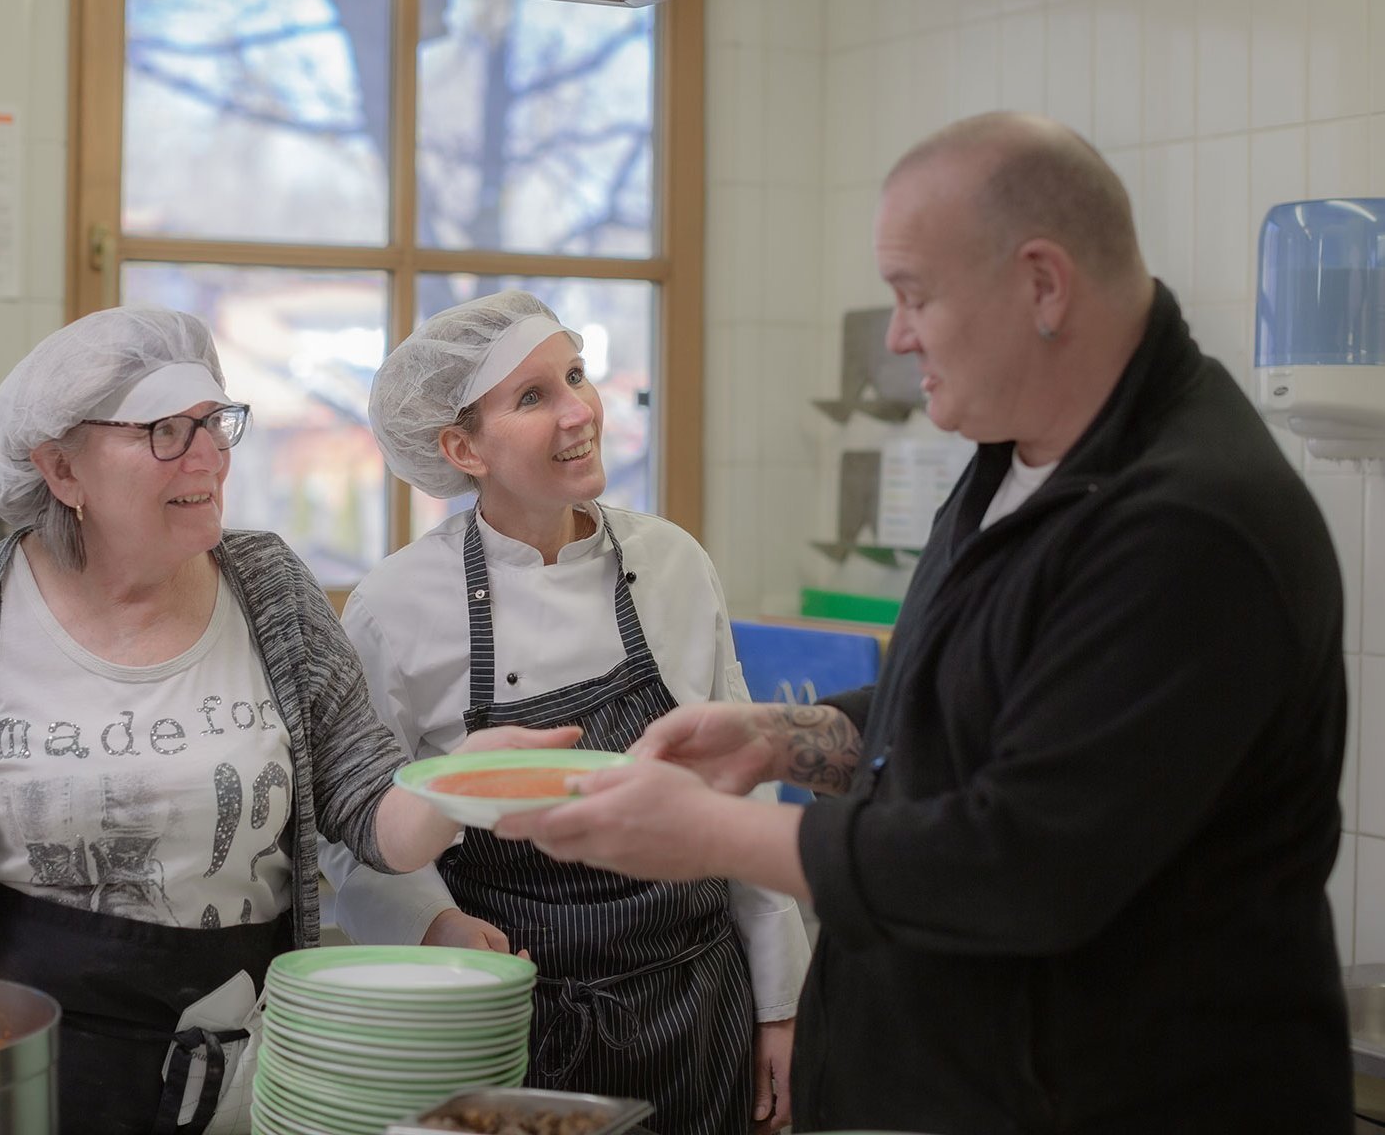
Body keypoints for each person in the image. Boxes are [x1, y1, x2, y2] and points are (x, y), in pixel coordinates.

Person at [495, 113, 1354, 1134]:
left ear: (1040, 284)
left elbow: (1025, 863)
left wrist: (710, 832)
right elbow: (972, 705)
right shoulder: (1013, 451)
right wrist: (779, 735)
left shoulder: (1188, 525)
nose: (896, 336)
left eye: (913, 295)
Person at [0, 305, 574, 1135]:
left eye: (213, 422)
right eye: (164, 430)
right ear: (62, 470)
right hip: (19, 1072)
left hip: (239, 1076)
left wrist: (456, 786)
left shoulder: (270, 590)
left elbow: (368, 813)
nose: (206, 458)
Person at [319, 290, 810, 1135]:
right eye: (533, 396)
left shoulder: (672, 563)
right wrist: (429, 921)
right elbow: (356, 828)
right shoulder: (395, 608)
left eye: (575, 375)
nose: (580, 411)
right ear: (460, 447)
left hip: (701, 1004)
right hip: (513, 1017)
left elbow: (741, 794)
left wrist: (781, 1004)